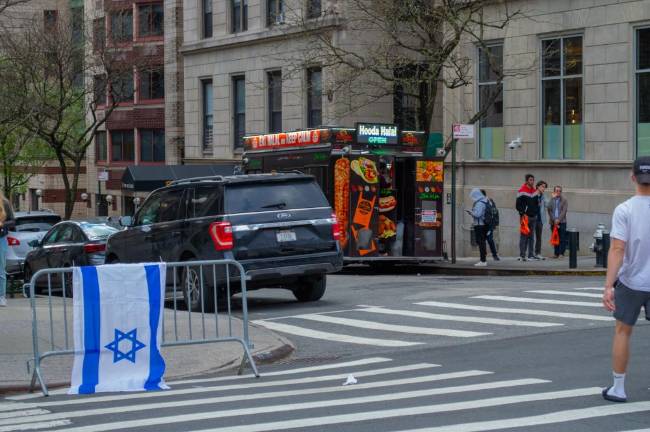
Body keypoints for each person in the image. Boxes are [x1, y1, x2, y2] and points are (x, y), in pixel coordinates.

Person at [602, 156, 650, 403]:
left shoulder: (624, 209)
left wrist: (608, 285)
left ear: (633, 177)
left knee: (623, 331)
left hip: (631, 282)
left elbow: (618, 250)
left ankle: (618, 388)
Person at [515, 174, 538, 261]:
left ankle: (531, 255)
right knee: (524, 236)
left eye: (533, 180)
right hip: (525, 217)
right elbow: (517, 205)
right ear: (526, 181)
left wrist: (535, 213)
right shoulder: (521, 191)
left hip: (533, 217)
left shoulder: (535, 191)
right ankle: (522, 255)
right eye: (530, 180)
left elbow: (536, 204)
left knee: (532, 237)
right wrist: (523, 213)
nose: (532, 182)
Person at [0, 192, 16, 307]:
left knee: (0, 269)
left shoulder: (4, 203)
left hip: (1, 238)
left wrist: (2, 224)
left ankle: (1, 296)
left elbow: (12, 221)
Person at [468, 188, 488, 267]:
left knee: (481, 242)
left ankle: (483, 260)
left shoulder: (479, 203)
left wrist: (471, 213)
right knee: (481, 242)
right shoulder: (484, 201)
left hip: (479, 225)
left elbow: (478, 214)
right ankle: (483, 259)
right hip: (482, 225)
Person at [547, 185, 568, 258]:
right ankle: (556, 253)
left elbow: (564, 211)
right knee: (555, 238)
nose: (558, 192)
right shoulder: (552, 199)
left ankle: (561, 253)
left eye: (560, 191)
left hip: (562, 222)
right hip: (553, 222)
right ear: (554, 191)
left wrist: (558, 220)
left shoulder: (564, 200)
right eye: (557, 191)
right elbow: (549, 209)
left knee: (562, 238)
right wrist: (554, 219)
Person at [480, 189, 500, 261]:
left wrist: (495, 223)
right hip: (481, 224)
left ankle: (494, 255)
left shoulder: (489, 201)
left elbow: (495, 211)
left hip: (488, 225)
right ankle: (484, 256)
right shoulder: (479, 202)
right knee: (482, 241)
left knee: (490, 240)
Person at [533, 181, 548, 260]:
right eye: (542, 186)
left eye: (544, 187)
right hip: (532, 219)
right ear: (538, 186)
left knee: (539, 237)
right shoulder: (533, 194)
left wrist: (553, 198)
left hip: (540, 220)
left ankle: (537, 253)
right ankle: (530, 254)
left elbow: (547, 205)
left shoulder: (543, 196)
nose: (544, 188)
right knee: (530, 237)